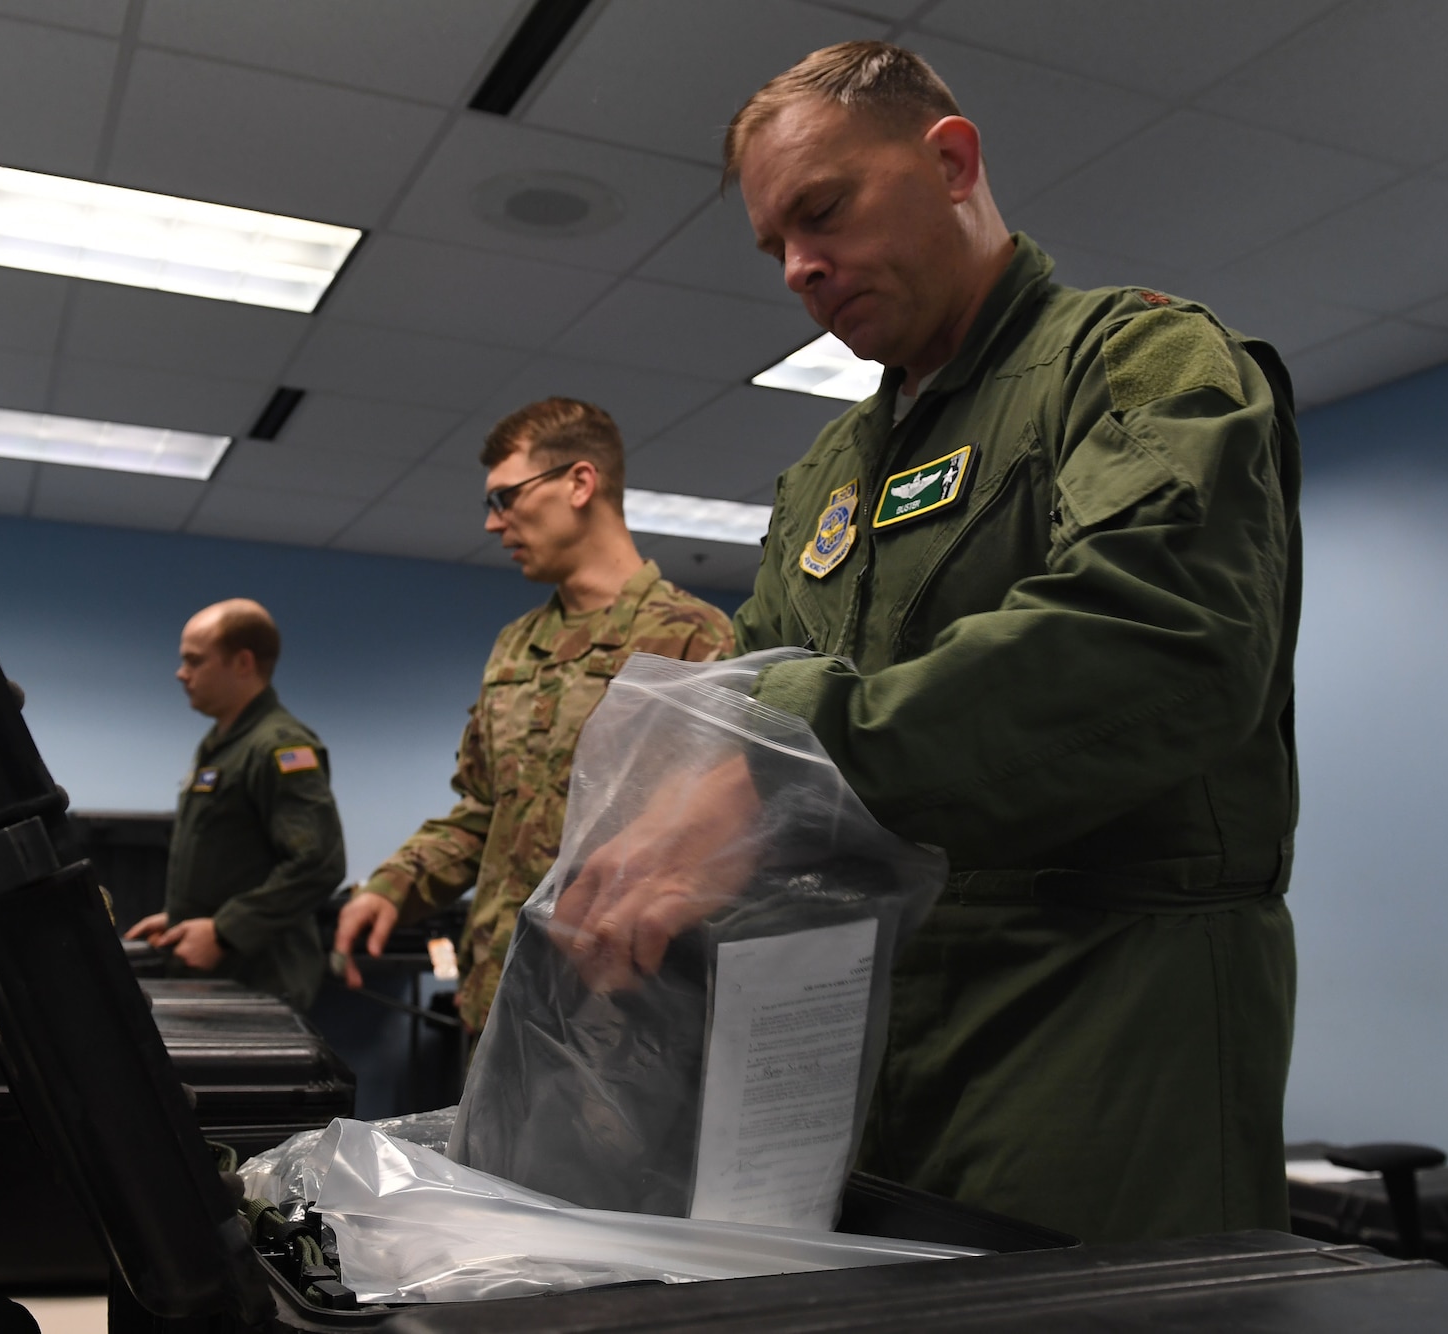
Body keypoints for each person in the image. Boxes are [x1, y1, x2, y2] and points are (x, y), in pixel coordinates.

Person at [551, 42, 1300, 1244]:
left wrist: (778, 760)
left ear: (948, 161)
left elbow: (1164, 638)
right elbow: (750, 707)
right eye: (775, 247)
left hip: (1097, 1018)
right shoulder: (821, 481)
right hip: (863, 1035)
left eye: (821, 210)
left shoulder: (1132, 363)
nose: (799, 265)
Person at [332, 399, 736, 1034]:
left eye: (505, 497)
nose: (495, 524)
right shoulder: (515, 646)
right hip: (497, 999)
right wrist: (391, 886)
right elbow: (484, 814)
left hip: (617, 1018)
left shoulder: (692, 641)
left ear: (579, 482)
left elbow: (717, 840)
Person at [125, 598, 345, 1012]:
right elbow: (233, 860)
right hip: (216, 975)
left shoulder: (280, 745)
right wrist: (179, 917)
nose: (181, 673)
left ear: (243, 663)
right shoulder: (224, 745)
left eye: (194, 661)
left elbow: (319, 862)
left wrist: (225, 931)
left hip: (260, 978)